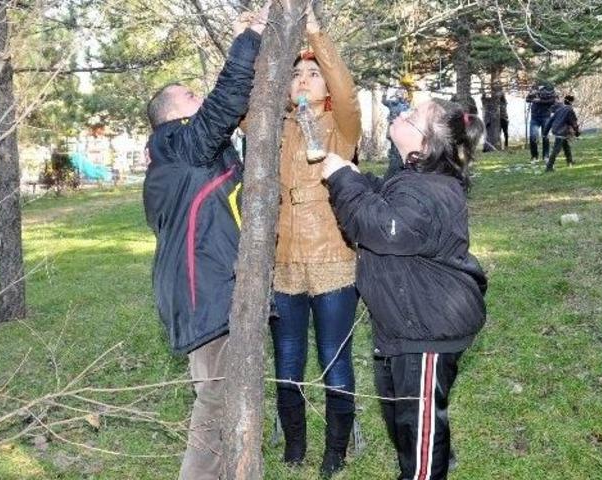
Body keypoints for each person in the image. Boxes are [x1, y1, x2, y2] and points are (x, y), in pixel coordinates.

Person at [320, 98, 488, 480]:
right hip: (405, 323)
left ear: (424, 145)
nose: (400, 114)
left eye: (411, 117)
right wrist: (357, 177)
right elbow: (384, 200)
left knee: (420, 424)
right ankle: (419, 468)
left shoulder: (428, 191)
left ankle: (425, 471)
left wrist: (343, 179)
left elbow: (380, 227)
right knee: (405, 418)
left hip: (429, 328)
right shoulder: (415, 182)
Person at [141, 4, 269, 479]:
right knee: (215, 407)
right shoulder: (177, 145)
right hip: (207, 295)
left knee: (231, 403)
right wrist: (251, 37)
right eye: (190, 94)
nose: (201, 96)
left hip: (209, 288)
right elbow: (223, 105)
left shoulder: (181, 157)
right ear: (172, 115)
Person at [271, 6, 361, 478]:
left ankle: (335, 451)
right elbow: (242, 108)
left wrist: (315, 38)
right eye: (296, 73)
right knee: (287, 363)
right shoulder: (273, 127)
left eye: (313, 73)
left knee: (334, 360)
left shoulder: (341, 128)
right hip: (283, 263)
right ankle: (294, 446)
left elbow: (347, 94)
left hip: (332, 261)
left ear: (326, 84)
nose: (304, 80)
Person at [544, 94, 581, 171]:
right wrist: (577, 132)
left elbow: (550, 121)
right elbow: (573, 122)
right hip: (561, 131)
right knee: (556, 149)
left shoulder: (559, 109)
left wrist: (545, 132)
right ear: (571, 102)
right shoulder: (570, 110)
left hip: (556, 129)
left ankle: (570, 161)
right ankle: (549, 167)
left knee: (566, 145)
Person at [525, 83, 558, 162]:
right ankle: (534, 156)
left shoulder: (549, 88)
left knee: (545, 137)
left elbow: (553, 101)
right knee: (533, 137)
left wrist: (540, 101)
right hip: (534, 117)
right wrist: (532, 97)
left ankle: (546, 156)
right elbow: (527, 99)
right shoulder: (534, 87)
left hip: (545, 116)